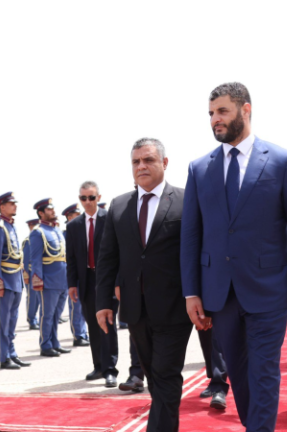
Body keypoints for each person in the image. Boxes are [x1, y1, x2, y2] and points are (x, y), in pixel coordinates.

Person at [181, 83, 287, 432]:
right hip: (220, 292)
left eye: (222, 111)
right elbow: (191, 236)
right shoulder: (199, 169)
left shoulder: (283, 162)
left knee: (263, 370)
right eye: (211, 113)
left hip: (268, 288)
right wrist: (191, 292)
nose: (215, 119)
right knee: (239, 373)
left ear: (246, 110)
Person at [97, 138, 193, 431]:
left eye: (148, 160)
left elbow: (198, 252)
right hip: (135, 310)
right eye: (136, 161)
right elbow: (107, 258)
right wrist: (103, 303)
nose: (141, 166)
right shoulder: (119, 205)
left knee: (165, 373)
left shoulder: (186, 200)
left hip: (175, 308)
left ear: (164, 163)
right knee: (154, 375)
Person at [66, 182, 119, 388]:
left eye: (91, 197)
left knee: (108, 324)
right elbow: (71, 258)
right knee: (93, 326)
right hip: (86, 281)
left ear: (99, 197)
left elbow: (118, 253)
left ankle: (110, 370)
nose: (87, 202)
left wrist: (118, 282)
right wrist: (72, 284)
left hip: (107, 280)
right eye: (83, 198)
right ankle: (98, 366)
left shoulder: (110, 219)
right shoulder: (73, 226)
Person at [0, 192, 31, 370]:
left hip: (15, 278)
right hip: (5, 280)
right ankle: (4, 357)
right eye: (11, 204)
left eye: (15, 203)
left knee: (12, 320)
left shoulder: (11, 226)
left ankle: (12, 353)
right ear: (2, 207)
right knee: (3, 321)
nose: (15, 206)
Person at [30, 198, 71, 357]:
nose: (53, 211)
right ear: (41, 213)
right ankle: (45, 345)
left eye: (53, 208)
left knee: (56, 315)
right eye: (49, 209)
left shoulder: (57, 231)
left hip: (62, 280)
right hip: (48, 281)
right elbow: (35, 259)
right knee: (46, 315)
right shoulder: (38, 232)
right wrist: (37, 280)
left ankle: (55, 342)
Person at [61, 203, 89, 347]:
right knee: (76, 306)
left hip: (85, 273)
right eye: (76, 215)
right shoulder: (66, 233)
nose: (79, 217)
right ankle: (78, 335)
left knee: (84, 306)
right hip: (74, 274)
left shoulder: (82, 230)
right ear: (69, 217)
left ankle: (84, 333)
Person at [23, 219, 40, 330]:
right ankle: (31, 320)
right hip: (30, 273)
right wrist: (26, 275)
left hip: (38, 273)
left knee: (38, 298)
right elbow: (25, 260)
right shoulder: (28, 241)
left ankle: (34, 318)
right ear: (30, 227)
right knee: (32, 298)